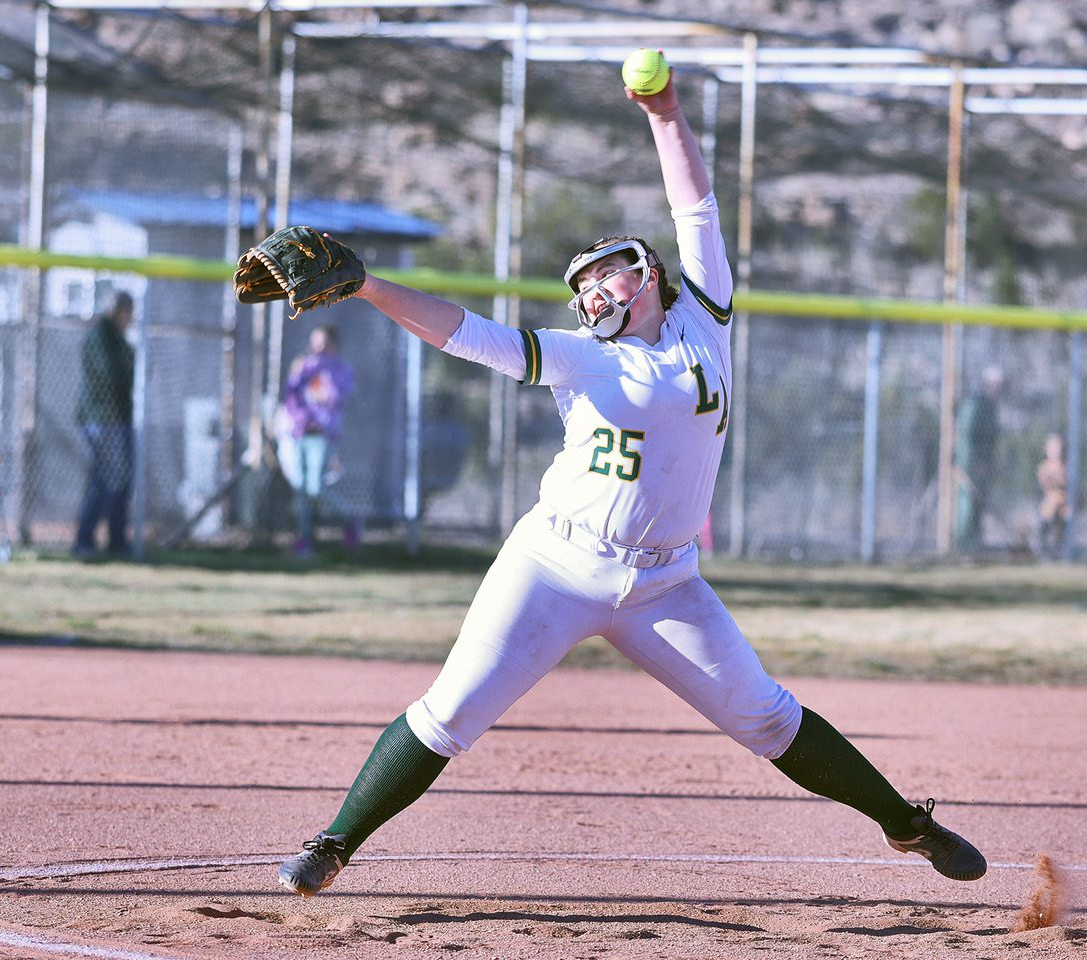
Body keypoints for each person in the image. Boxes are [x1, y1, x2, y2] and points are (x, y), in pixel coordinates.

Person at [276, 64, 986, 896]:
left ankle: (907, 825)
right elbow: (467, 334)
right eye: (580, 288)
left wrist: (665, 111)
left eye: (604, 274)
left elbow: (696, 207)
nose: (591, 293)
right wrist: (367, 286)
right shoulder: (583, 358)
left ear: (647, 275)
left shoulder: (703, 322)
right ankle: (333, 844)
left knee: (766, 716)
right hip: (556, 563)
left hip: (666, 583)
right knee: (451, 712)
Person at [278, 324, 358, 557]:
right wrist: (302, 419)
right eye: (314, 343)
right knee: (300, 489)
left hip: (322, 436)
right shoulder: (302, 367)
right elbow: (290, 397)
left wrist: (324, 371)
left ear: (333, 346)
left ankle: (349, 517)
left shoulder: (340, 371)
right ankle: (304, 540)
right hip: (298, 434)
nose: (317, 348)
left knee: (315, 487)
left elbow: (334, 398)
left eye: (323, 344)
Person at [73, 290, 134, 559]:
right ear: (119, 312)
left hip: (119, 419)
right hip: (101, 420)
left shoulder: (119, 339)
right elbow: (111, 375)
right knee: (102, 481)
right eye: (128, 313)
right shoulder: (100, 336)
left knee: (120, 483)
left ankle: (117, 541)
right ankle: (83, 541)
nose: (130, 319)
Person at [954, 365, 1004, 554]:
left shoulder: (992, 408)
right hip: (969, 467)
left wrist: (990, 465)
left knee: (979, 507)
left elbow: (992, 441)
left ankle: (974, 548)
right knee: (967, 505)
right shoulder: (973, 405)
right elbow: (966, 438)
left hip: (984, 467)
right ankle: (963, 548)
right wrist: (973, 464)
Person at [1036, 432, 1069, 559]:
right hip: (1050, 502)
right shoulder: (1043, 467)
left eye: (1057, 447)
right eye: (1052, 447)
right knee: (1050, 505)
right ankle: (1044, 550)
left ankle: (1061, 548)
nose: (1055, 451)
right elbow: (1047, 484)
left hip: (1064, 503)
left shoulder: (1065, 466)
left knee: (1064, 511)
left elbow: (1065, 483)